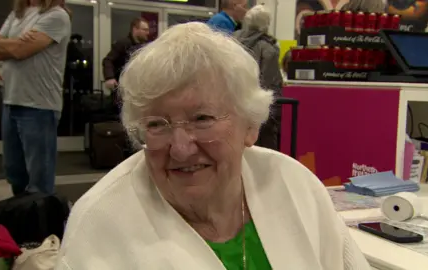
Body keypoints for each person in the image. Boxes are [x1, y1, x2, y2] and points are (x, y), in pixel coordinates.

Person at [55, 22, 370, 270]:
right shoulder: (99, 224)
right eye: (156, 124)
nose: (180, 148)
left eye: (201, 118)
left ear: (250, 125)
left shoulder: (293, 184)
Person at [0, 0, 71, 195]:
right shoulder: (18, 14)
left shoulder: (56, 15)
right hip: (11, 101)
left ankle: (40, 222)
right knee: (14, 174)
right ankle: (21, 219)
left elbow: (19, 51)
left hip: (39, 106)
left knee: (39, 180)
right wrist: (13, 44)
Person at [234, 5, 283, 151]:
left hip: (232, 103)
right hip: (257, 110)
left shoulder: (231, 41)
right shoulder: (268, 48)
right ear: (266, 24)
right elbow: (271, 83)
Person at [102, 18, 149, 91]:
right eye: (145, 30)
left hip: (139, 86)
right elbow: (108, 60)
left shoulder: (145, 45)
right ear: (135, 29)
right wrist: (109, 77)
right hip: (123, 87)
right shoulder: (122, 43)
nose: (147, 33)